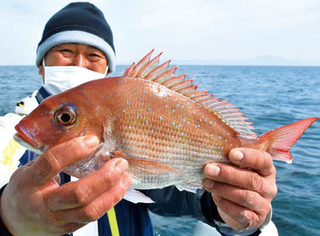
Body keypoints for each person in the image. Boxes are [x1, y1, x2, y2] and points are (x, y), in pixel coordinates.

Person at [0, 2, 278, 236]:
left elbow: (183, 195)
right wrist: (8, 216)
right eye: (66, 52)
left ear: (107, 68)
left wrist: (239, 207)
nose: (79, 64)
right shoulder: (6, 131)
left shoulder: (120, 111)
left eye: (93, 55)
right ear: (41, 64)